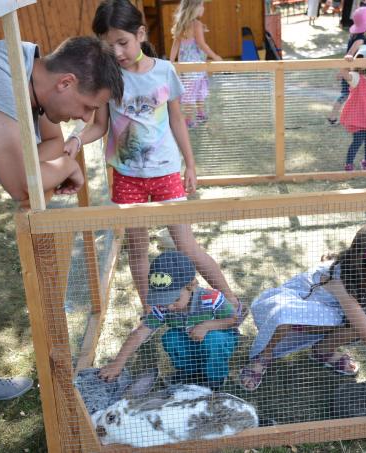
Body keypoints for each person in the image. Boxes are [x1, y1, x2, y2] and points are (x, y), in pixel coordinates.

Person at [0, 36, 124, 432]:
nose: (82, 118)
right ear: (66, 83)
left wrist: (61, 162)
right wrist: (66, 168)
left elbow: (51, 146)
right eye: (86, 107)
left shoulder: (30, 68)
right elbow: (24, 186)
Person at [67, 0, 242, 316]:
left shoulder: (164, 71)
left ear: (140, 34)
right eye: (109, 46)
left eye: (123, 42)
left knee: (186, 245)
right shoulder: (109, 78)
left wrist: (190, 164)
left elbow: (177, 120)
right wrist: (77, 138)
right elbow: (100, 126)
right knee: (138, 249)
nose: (117, 52)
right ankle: (151, 310)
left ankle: (230, 298)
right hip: (127, 176)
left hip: (166, 173)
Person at [238, 222, 366, 395]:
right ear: (361, 264)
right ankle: (263, 356)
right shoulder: (339, 282)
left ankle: (322, 350)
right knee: (287, 316)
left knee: (365, 321)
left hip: (331, 314)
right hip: (298, 305)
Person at [98, 251, 240, 390]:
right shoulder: (163, 307)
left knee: (214, 341)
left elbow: (233, 320)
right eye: (163, 300)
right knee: (170, 338)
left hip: (218, 336)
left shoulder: (211, 298)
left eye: (175, 299)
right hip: (188, 338)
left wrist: (206, 326)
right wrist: (118, 363)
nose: (169, 307)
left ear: (191, 286)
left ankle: (214, 380)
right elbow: (140, 333)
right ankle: (189, 373)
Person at [169, 0, 222, 128]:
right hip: (196, 66)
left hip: (186, 68)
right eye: (202, 5)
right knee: (198, 90)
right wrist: (215, 56)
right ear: (194, 7)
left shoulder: (181, 24)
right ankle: (195, 116)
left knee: (190, 92)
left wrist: (170, 62)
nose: (203, 8)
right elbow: (202, 44)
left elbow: (175, 45)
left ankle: (195, 116)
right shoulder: (196, 24)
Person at [327, 6, 366, 126]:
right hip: (352, 74)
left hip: (354, 73)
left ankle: (356, 117)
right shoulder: (360, 39)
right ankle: (332, 117)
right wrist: (343, 71)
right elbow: (350, 54)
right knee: (345, 94)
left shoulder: (355, 36)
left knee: (351, 95)